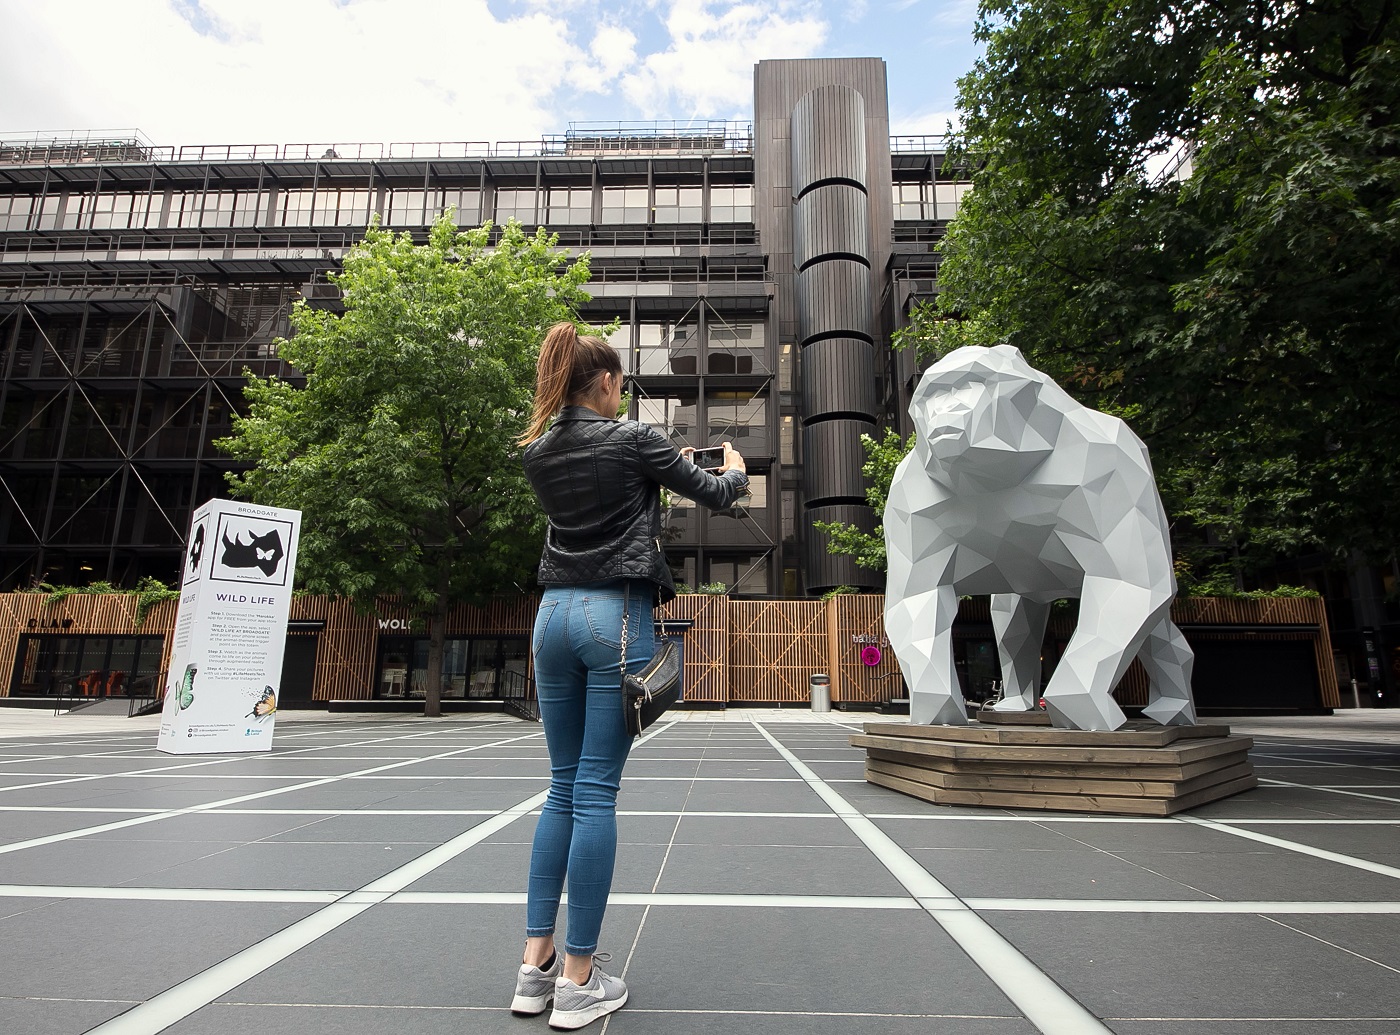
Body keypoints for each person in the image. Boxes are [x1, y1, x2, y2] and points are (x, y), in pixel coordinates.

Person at [511, 321, 748, 1029]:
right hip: (612, 615)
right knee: (595, 792)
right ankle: (581, 981)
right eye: (620, 385)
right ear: (608, 383)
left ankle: (536, 966)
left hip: (551, 617)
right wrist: (735, 465)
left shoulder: (539, 449)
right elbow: (716, 493)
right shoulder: (634, 440)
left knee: (559, 789)